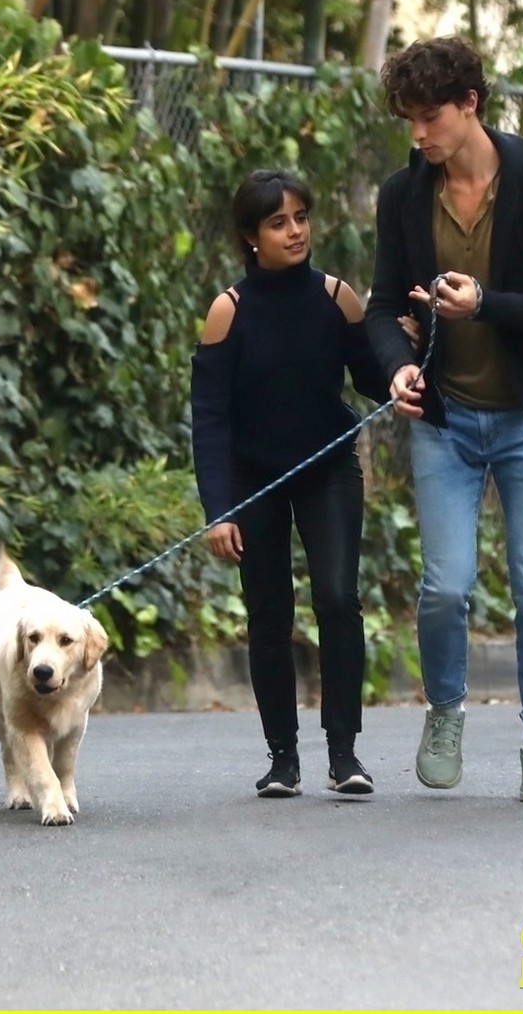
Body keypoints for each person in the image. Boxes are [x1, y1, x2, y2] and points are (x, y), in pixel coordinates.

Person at [365, 36, 523, 802]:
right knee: (444, 586)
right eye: (407, 119)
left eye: (428, 116)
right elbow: (379, 308)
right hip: (445, 419)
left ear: (470, 103)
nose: (417, 134)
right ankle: (445, 710)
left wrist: (485, 306)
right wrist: (392, 367)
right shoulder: (403, 196)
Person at [190, 168, 389, 798]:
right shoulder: (229, 311)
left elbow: (373, 380)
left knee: (337, 599)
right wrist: (219, 510)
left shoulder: (337, 298)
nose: (295, 230)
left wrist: (405, 357)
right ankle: (282, 759)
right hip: (255, 481)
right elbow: (211, 420)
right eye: (279, 222)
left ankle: (345, 755)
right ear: (252, 236)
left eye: (301, 217)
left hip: (329, 467)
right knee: (269, 614)